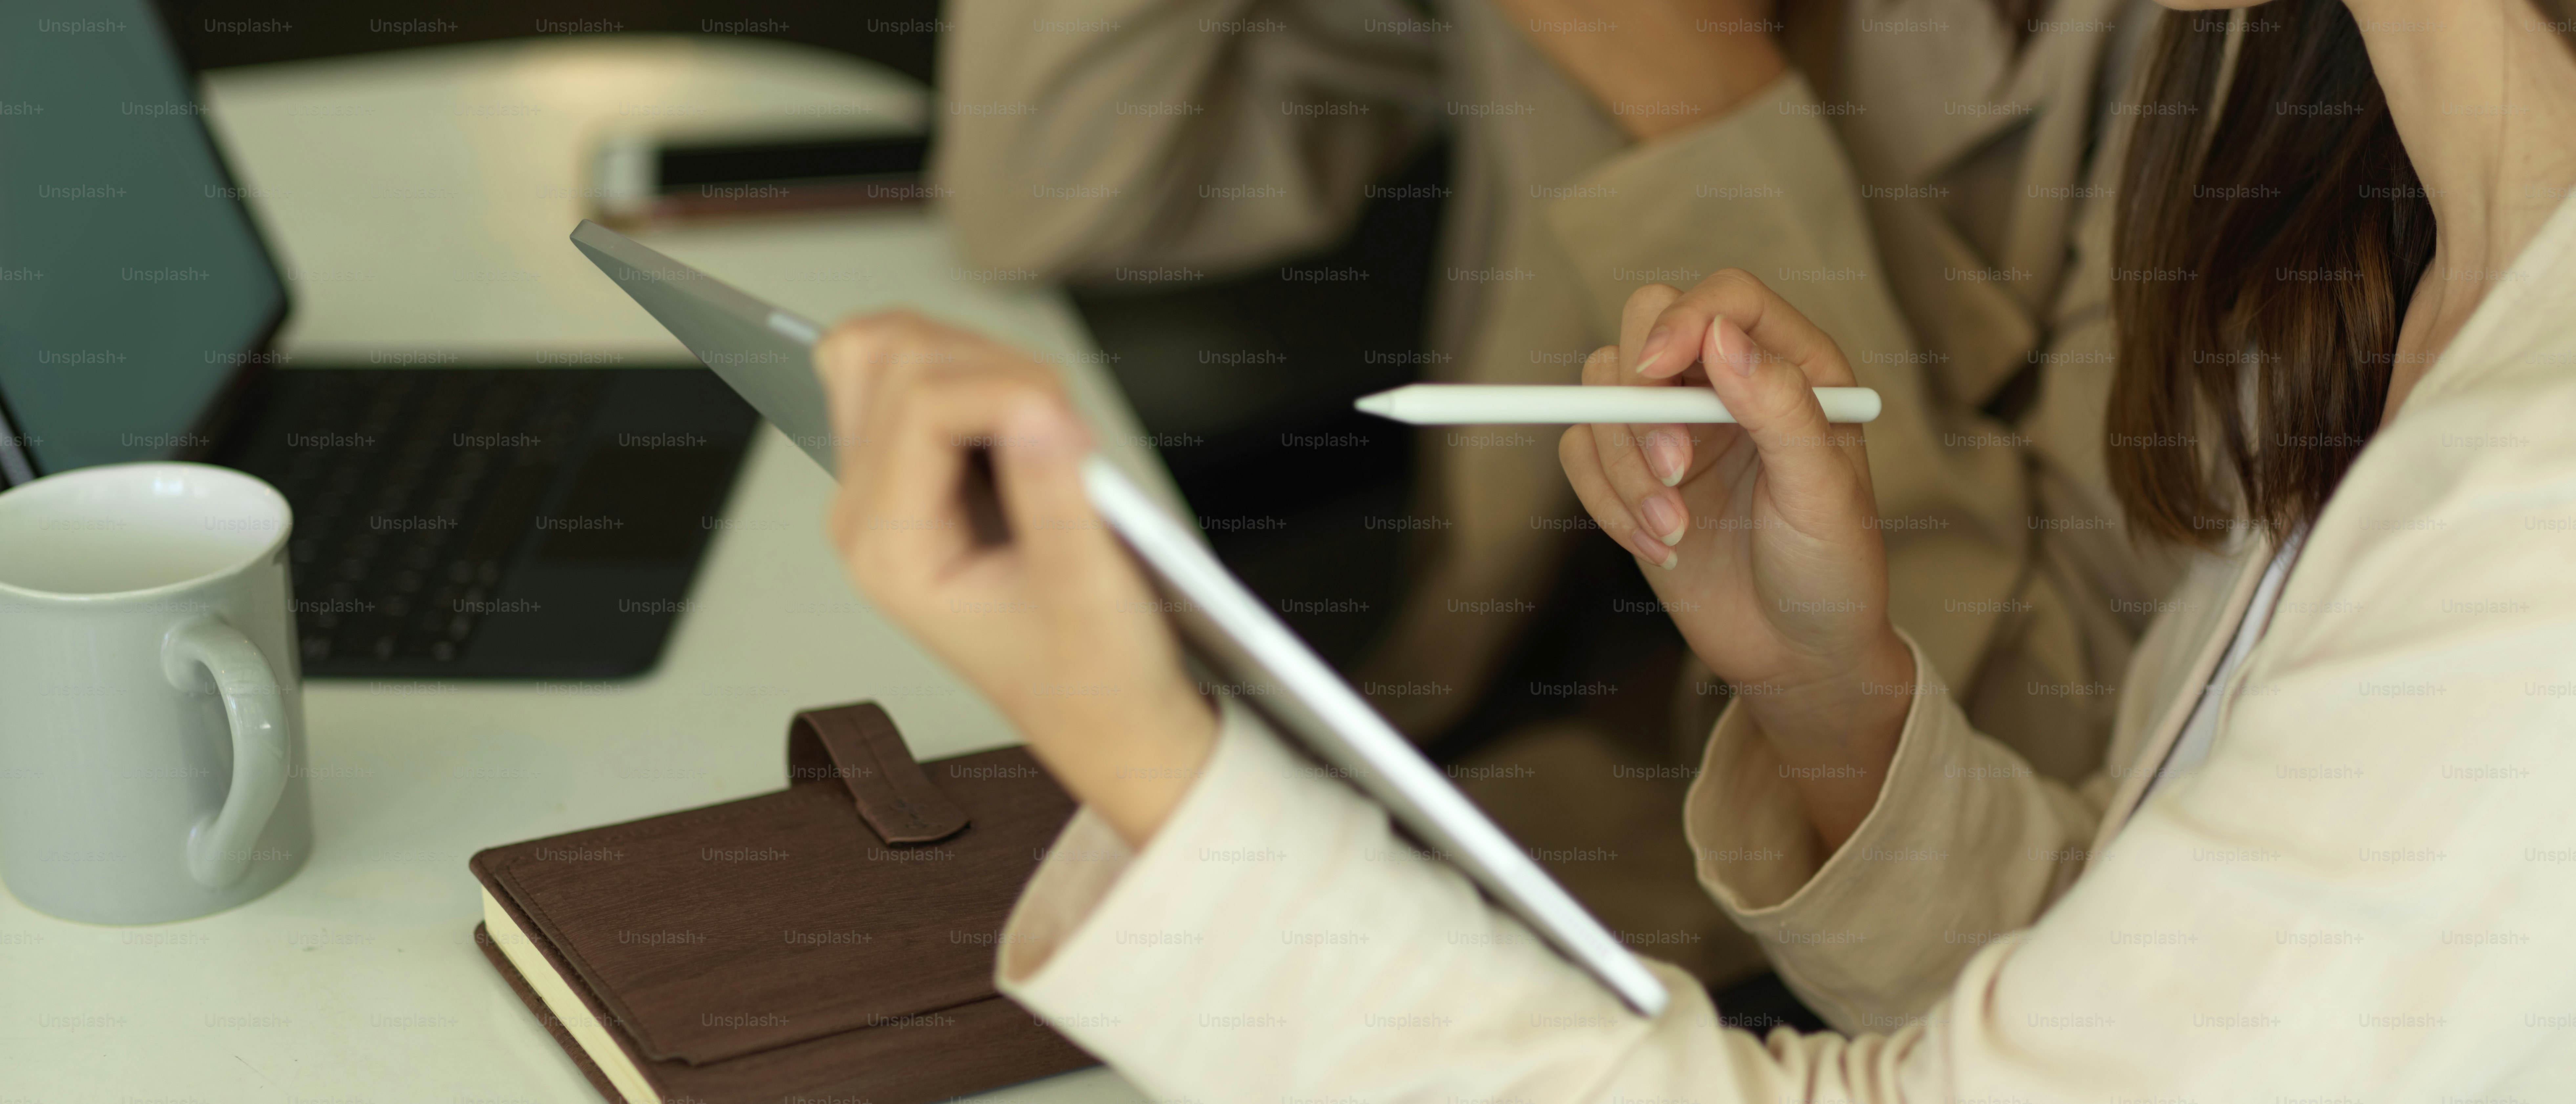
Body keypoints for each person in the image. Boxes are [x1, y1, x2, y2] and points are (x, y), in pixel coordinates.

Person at [819, 0, 2576, 1096]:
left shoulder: (2528, 460)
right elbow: (2137, 976)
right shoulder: (2428, 251)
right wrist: (1833, 696)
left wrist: (1152, 756)